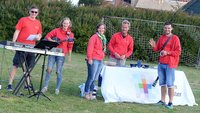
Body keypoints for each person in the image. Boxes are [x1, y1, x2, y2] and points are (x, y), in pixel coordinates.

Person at [7, 6, 42, 91]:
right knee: (16, 65)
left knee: (29, 67)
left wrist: (38, 37)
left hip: (31, 47)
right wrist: (13, 43)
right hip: (21, 46)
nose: (34, 13)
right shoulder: (23, 20)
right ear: (29, 11)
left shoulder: (38, 23)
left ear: (37, 13)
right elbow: (17, 31)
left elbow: (39, 34)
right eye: (32, 11)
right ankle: (9, 84)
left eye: (35, 12)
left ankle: (27, 85)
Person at [149, 22, 181, 109]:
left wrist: (167, 52)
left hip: (170, 64)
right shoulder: (162, 37)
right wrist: (153, 46)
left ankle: (170, 103)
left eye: (168, 28)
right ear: (164, 28)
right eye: (165, 28)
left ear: (172, 29)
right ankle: (162, 101)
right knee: (162, 84)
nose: (167, 29)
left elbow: (178, 52)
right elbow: (157, 49)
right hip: (161, 64)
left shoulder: (175, 38)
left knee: (170, 84)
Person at [41, 17, 74, 95]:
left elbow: (70, 46)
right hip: (52, 53)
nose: (66, 24)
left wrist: (69, 56)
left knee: (58, 71)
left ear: (69, 24)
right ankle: (45, 87)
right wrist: (53, 42)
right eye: (64, 23)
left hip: (61, 54)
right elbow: (47, 36)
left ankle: (57, 89)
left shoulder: (70, 34)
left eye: (67, 23)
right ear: (62, 23)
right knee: (49, 69)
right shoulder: (56, 30)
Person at [84, 23, 107, 100]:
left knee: (95, 78)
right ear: (97, 29)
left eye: (103, 28)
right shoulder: (94, 37)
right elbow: (89, 48)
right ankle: (86, 93)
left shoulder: (103, 38)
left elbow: (103, 49)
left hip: (100, 60)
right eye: (100, 28)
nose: (101, 30)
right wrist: (89, 58)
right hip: (93, 59)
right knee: (91, 77)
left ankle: (91, 93)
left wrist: (103, 55)